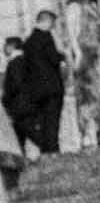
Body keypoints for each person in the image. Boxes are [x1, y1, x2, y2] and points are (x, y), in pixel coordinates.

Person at [64, 0, 100, 148]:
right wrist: (78, 55)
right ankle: (87, 133)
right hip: (85, 55)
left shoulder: (92, 7)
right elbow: (72, 35)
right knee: (86, 95)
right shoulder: (73, 8)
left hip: (99, 53)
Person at [18, 10, 65, 155]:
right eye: (52, 24)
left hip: (37, 90)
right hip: (52, 86)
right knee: (52, 121)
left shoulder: (28, 41)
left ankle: (45, 150)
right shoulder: (46, 37)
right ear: (47, 21)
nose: (53, 27)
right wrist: (62, 55)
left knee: (43, 121)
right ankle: (53, 150)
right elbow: (54, 59)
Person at [2, 35, 28, 148]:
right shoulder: (23, 61)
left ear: (11, 46)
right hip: (23, 105)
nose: (3, 48)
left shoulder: (15, 62)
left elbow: (16, 85)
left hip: (18, 106)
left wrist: (5, 98)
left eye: (5, 45)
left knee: (19, 137)